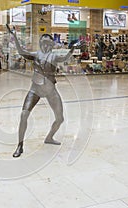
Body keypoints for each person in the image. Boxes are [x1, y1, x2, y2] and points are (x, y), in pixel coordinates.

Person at [6, 24, 77, 157]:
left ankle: (49, 137)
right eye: (43, 42)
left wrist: (73, 48)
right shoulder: (35, 55)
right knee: (24, 115)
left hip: (50, 90)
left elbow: (65, 57)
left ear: (51, 45)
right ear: (40, 44)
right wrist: (14, 37)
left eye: (47, 43)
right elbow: (21, 52)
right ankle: (20, 145)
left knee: (60, 118)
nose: (45, 45)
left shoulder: (54, 56)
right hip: (35, 90)